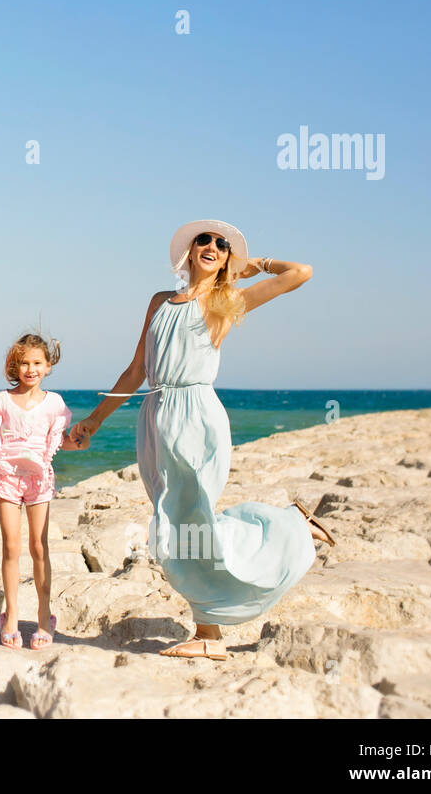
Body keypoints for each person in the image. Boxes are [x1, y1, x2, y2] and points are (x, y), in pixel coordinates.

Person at [69, 220, 335, 661]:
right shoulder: (159, 301)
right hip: (156, 416)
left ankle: (221, 616)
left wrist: (255, 264)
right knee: (177, 523)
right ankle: (211, 628)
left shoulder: (227, 301)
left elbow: (300, 273)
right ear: (189, 251)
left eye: (222, 244)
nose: (212, 246)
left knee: (191, 522)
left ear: (228, 257)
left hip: (197, 416)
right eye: (204, 240)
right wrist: (94, 421)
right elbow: (136, 371)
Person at [0, 333, 87, 649]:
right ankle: (11, 615)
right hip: (7, 477)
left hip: (39, 479)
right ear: (15, 366)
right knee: (11, 546)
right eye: (25, 363)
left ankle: (45, 616)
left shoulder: (54, 403)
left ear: (48, 366)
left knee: (39, 546)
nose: (30, 369)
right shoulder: (2, 399)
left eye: (37, 363)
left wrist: (80, 441)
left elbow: (59, 441)